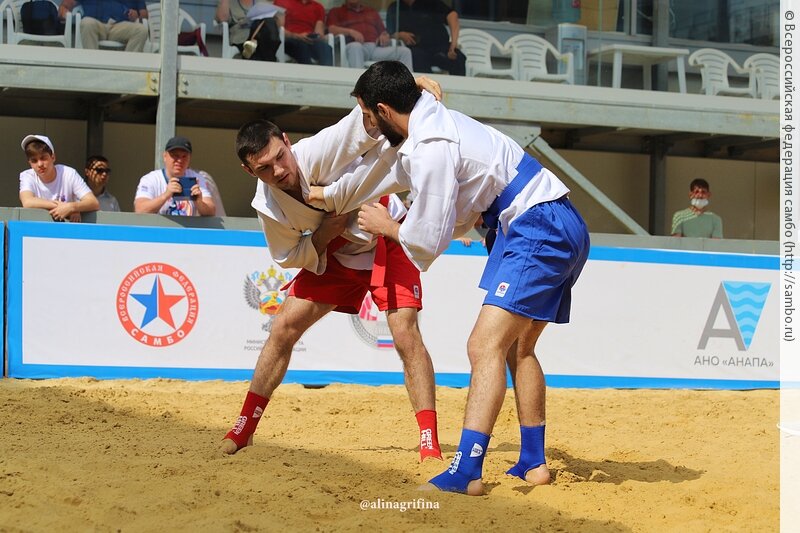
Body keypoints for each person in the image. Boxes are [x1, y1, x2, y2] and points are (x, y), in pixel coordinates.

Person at [308, 61, 590, 495]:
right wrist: (320, 193)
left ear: (384, 109)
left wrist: (389, 227)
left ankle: (467, 472)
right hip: (551, 217)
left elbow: (429, 237)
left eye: (366, 115)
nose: (364, 126)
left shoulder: (430, 145)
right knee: (520, 347)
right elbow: (385, 176)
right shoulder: (427, 122)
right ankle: (533, 462)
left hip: (535, 224)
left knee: (484, 346)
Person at [220, 78, 445, 463]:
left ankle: (429, 441)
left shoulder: (316, 151)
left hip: (386, 230)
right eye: (264, 168)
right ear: (249, 171)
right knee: (282, 328)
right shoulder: (268, 207)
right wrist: (326, 234)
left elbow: (365, 121)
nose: (278, 170)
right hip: (335, 251)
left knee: (404, 333)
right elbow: (290, 256)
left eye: (279, 157)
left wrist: (410, 83)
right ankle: (244, 427)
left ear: (288, 142)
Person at [19, 135, 100, 222]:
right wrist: (67, 208)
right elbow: (27, 202)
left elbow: (93, 202)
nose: (40, 164)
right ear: (29, 163)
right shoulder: (27, 175)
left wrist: (72, 207)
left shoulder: (69, 173)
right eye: (34, 161)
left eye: (43, 158)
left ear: (53, 157)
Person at [134, 136, 216, 217]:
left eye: (184, 156)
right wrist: (166, 195)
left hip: (187, 229)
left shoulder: (197, 178)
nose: (180, 160)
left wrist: (199, 202)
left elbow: (211, 211)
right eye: (175, 155)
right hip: (159, 229)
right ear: (165, 156)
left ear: (189, 158)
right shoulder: (151, 179)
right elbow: (140, 210)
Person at [326, 0, 413, 70]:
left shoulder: (371, 12)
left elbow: (384, 32)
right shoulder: (336, 11)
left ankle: (408, 88)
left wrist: (384, 36)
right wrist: (350, 32)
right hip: (356, 46)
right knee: (355, 47)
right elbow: (331, 29)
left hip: (375, 48)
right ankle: (360, 88)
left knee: (405, 52)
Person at [386, 0, 466, 76]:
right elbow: (389, 34)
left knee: (458, 57)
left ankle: (461, 88)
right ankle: (427, 89)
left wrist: (453, 43)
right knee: (416, 57)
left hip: (440, 47)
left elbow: (452, 15)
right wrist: (399, 35)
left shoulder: (430, 3)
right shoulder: (394, 8)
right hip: (417, 49)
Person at [59, 0, 149, 52]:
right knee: (86, 23)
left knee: (141, 30)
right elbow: (65, 5)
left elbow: (144, 14)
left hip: (119, 26)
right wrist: (64, 13)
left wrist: (136, 15)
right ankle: (93, 67)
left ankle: (127, 69)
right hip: (96, 25)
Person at [215, 0, 284, 62]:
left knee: (268, 22)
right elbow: (222, 19)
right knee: (266, 34)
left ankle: (253, 56)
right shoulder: (228, 3)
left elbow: (280, 23)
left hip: (261, 34)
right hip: (241, 35)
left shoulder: (262, 2)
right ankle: (267, 62)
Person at [273, 0, 333, 66]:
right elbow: (278, 29)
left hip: (309, 38)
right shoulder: (282, 2)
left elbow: (319, 32)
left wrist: (318, 37)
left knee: (326, 48)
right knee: (302, 47)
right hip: (289, 38)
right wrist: (295, 36)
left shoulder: (318, 7)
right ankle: (308, 74)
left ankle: (325, 75)